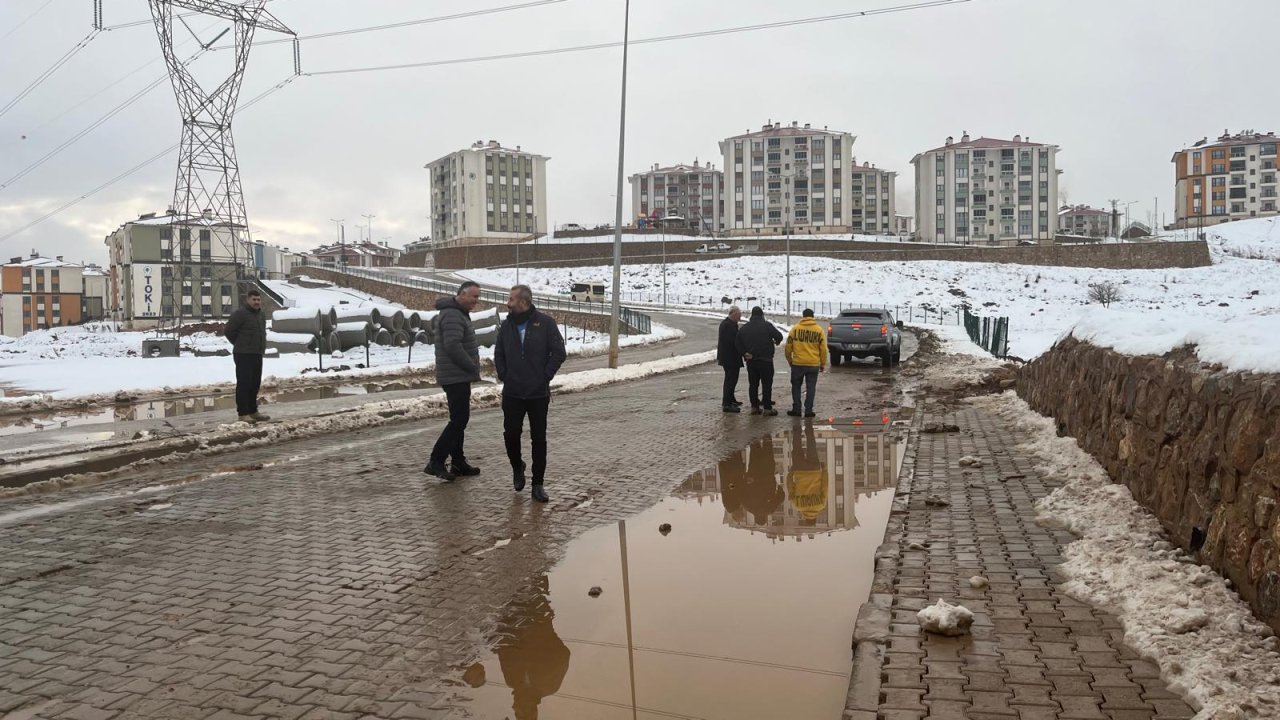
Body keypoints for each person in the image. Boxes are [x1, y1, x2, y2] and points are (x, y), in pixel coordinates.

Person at [494, 284, 566, 503]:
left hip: (537, 394)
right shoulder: (506, 326)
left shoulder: (545, 323)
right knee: (511, 434)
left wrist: (545, 376)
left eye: (511, 299)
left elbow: (559, 352)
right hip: (513, 393)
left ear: (523, 302)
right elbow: (499, 353)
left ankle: (538, 484)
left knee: (539, 439)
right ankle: (517, 466)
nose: (508, 303)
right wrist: (505, 374)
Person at [424, 281, 483, 482]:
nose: (476, 301)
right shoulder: (452, 315)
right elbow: (452, 345)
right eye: (474, 296)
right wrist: (471, 366)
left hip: (457, 375)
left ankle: (458, 462)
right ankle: (436, 460)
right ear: (462, 294)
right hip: (455, 375)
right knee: (459, 420)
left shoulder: (457, 313)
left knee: (459, 419)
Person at [223, 288, 269, 423]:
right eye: (254, 299)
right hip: (243, 354)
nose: (256, 302)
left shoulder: (261, 315)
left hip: (257, 353)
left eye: (258, 299)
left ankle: (253, 411)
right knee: (244, 384)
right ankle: (243, 413)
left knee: (255, 384)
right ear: (247, 300)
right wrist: (240, 344)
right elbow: (228, 331)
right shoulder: (240, 314)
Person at [735, 306, 784, 416]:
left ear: (752, 315)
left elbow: (737, 343)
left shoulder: (744, 328)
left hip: (751, 361)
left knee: (753, 384)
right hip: (766, 360)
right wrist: (776, 342)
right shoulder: (767, 325)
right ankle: (767, 408)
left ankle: (754, 407)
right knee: (767, 384)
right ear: (762, 315)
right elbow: (779, 336)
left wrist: (744, 353)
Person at [784, 308, 828, 418]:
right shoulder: (819, 330)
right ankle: (808, 410)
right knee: (811, 387)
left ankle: (797, 409)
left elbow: (788, 347)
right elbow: (823, 349)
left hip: (798, 363)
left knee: (796, 386)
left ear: (803, 316)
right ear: (813, 316)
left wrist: (790, 360)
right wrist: (823, 363)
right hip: (813, 364)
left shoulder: (795, 329)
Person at [717, 306, 744, 413]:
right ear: (734, 314)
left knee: (732, 379)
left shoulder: (730, 324)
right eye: (739, 315)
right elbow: (733, 342)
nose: (740, 317)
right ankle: (727, 404)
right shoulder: (727, 325)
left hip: (731, 357)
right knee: (730, 380)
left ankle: (731, 399)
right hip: (730, 358)